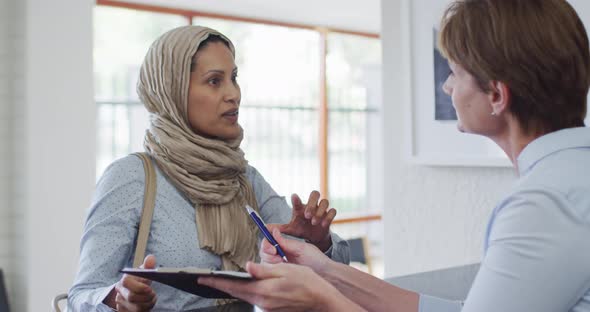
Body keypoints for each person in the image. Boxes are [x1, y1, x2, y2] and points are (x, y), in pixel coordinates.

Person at [199, 0, 590, 311]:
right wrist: (326, 271)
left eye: (454, 72)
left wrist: (321, 300)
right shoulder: (571, 177)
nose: (448, 86)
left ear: (497, 95)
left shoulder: (543, 203)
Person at [67, 26, 350, 311]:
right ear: (172, 90)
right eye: (214, 81)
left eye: (234, 78)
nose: (233, 94)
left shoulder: (243, 178)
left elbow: (337, 274)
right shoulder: (132, 177)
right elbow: (81, 296)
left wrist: (318, 243)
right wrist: (115, 298)